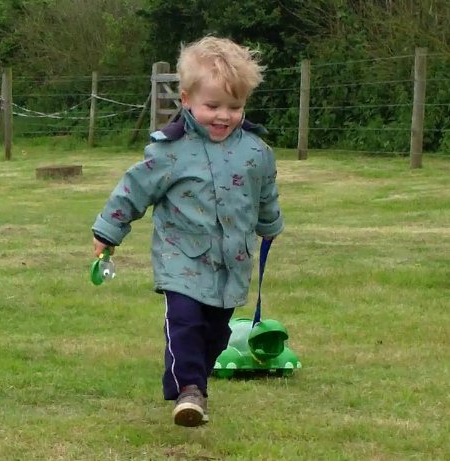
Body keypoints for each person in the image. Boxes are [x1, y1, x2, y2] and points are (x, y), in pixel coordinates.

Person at [92, 36, 284, 427]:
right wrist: (109, 231)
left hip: (230, 263)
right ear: (186, 100)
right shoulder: (169, 151)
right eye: (213, 106)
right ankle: (189, 391)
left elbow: (265, 193)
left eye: (234, 107)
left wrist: (270, 226)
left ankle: (198, 381)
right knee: (184, 323)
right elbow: (133, 190)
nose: (224, 116)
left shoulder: (256, 152)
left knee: (215, 334)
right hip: (180, 258)